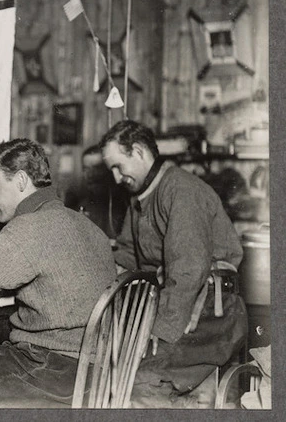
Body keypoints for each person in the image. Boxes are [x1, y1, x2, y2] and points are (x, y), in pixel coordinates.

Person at [0, 138, 116, 408]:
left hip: (56, 372)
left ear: (20, 181)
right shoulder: (86, 224)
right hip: (102, 372)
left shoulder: (29, 227)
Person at [99, 120, 247, 408]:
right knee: (111, 367)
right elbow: (129, 255)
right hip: (180, 306)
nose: (116, 178)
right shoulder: (141, 197)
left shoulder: (181, 190)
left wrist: (159, 330)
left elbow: (188, 269)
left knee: (138, 378)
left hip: (210, 311)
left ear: (139, 152)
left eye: (119, 166)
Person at [65, 144, 128, 240]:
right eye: (86, 169)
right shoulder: (79, 201)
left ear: (108, 170)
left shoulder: (123, 202)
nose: (90, 174)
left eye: (97, 168)